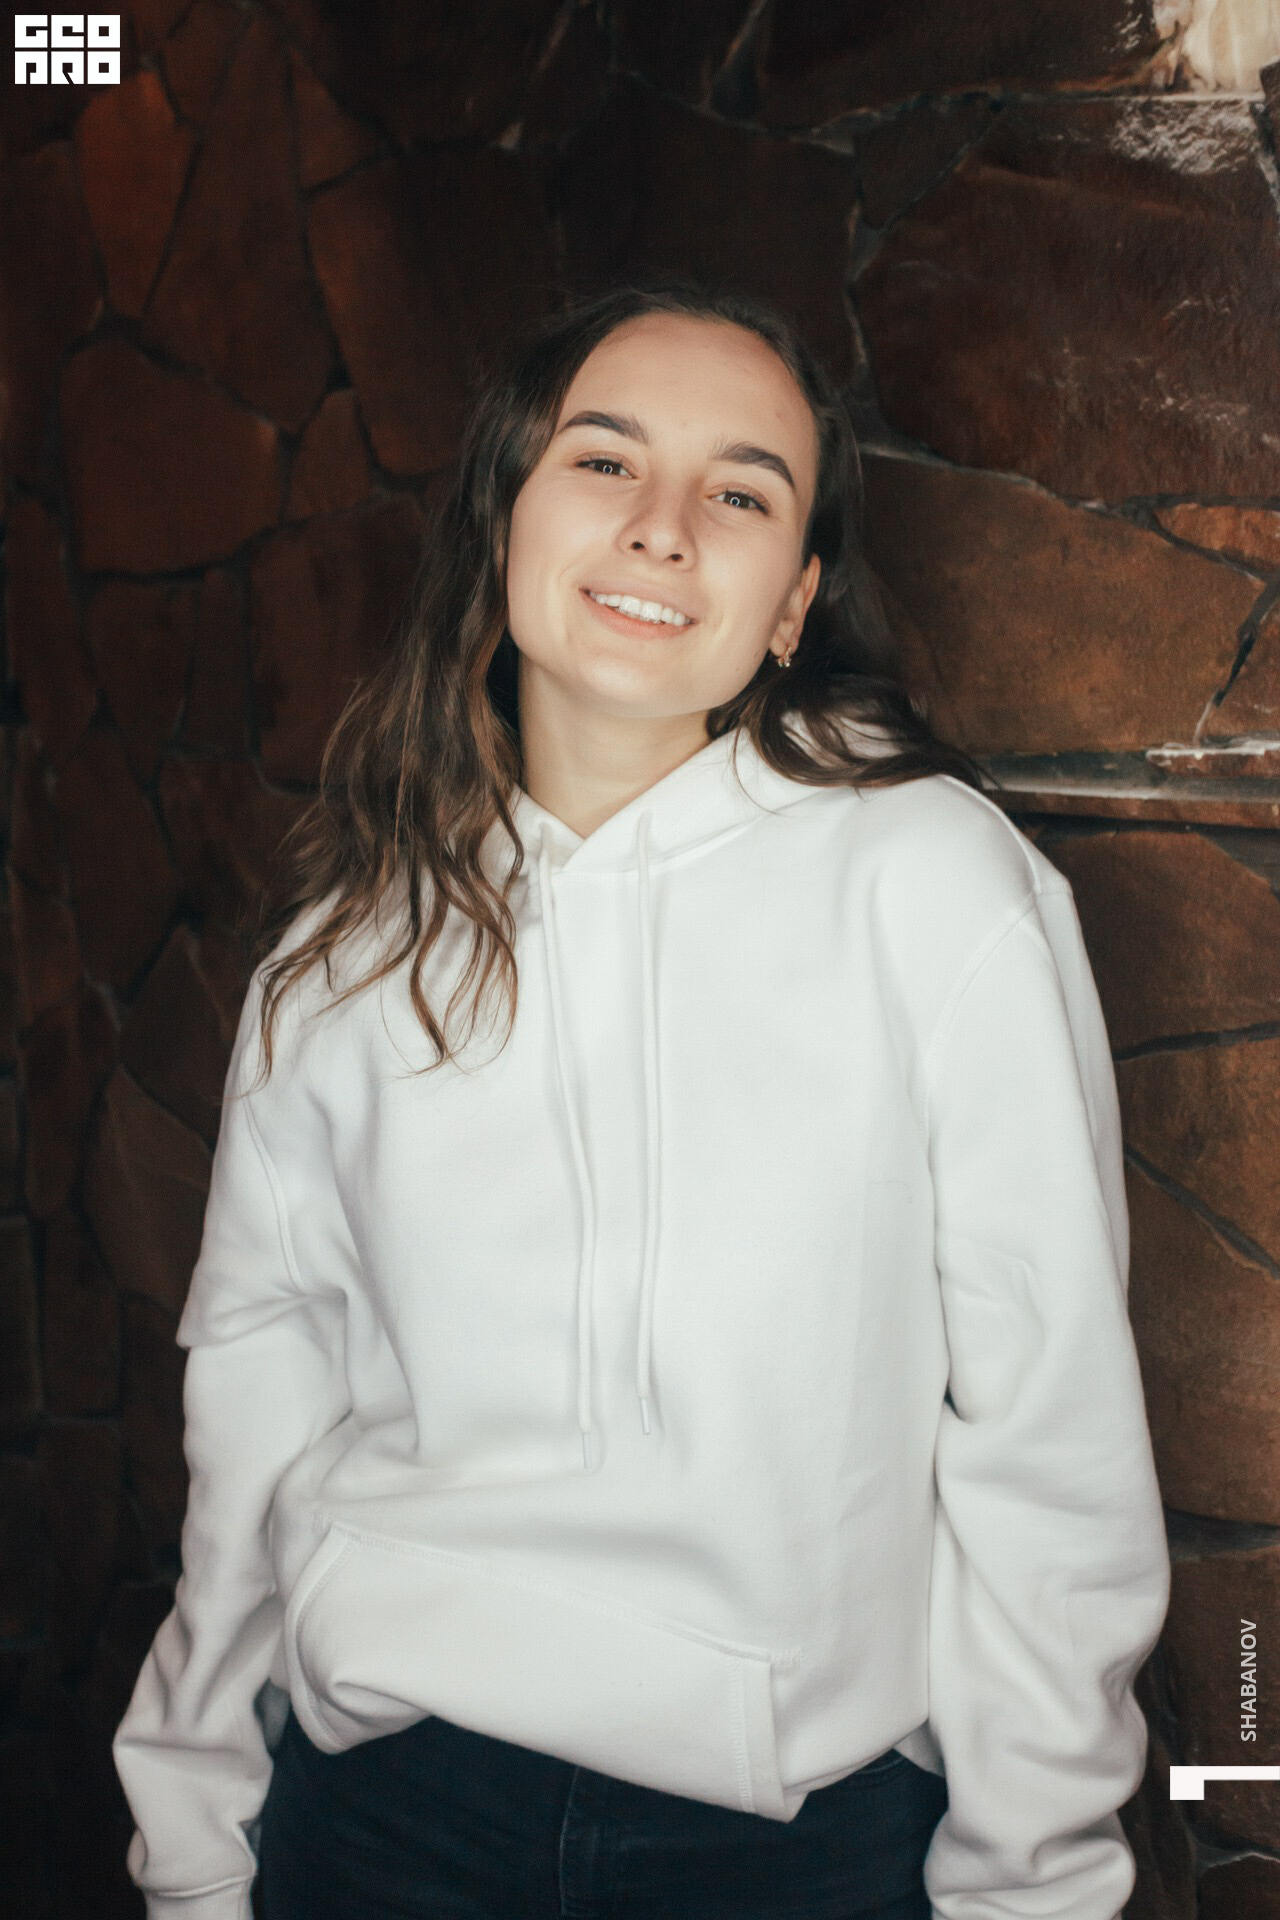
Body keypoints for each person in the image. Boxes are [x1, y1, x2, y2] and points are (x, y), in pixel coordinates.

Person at [113, 277, 1171, 1920]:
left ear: (793, 602)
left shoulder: (936, 888)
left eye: (741, 493)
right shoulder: (342, 957)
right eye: (604, 461)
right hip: (383, 1824)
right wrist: (192, 1849)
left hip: (789, 1852)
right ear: (506, 521)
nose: (663, 528)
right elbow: (255, 1424)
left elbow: (1050, 1439)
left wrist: (1032, 1876)